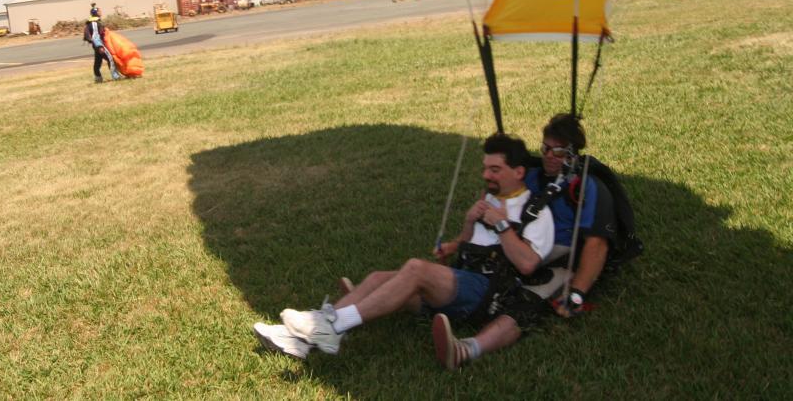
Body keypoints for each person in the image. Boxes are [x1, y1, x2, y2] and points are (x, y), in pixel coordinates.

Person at [253, 133, 554, 370]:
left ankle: (331, 325)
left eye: (495, 169)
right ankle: (300, 341)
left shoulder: (536, 211)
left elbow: (528, 265)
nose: (487, 175)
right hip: (462, 280)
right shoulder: (489, 198)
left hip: (489, 293)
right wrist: (466, 225)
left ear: (518, 171)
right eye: (485, 168)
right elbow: (469, 243)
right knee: (377, 279)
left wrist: (502, 226)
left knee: (415, 268)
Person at [524, 114, 640, 317]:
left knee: (521, 305)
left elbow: (597, 244)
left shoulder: (587, 187)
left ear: (571, 155)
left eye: (558, 151)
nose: (549, 155)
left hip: (558, 257)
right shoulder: (530, 175)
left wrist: (576, 293)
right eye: (545, 149)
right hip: (522, 246)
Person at [82, 5, 122, 83]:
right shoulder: (94, 23)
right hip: (99, 45)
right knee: (110, 59)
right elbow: (95, 36)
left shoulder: (93, 22)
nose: (101, 12)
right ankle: (116, 77)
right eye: (99, 11)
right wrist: (99, 46)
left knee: (97, 62)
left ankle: (98, 78)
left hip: (96, 45)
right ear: (96, 13)